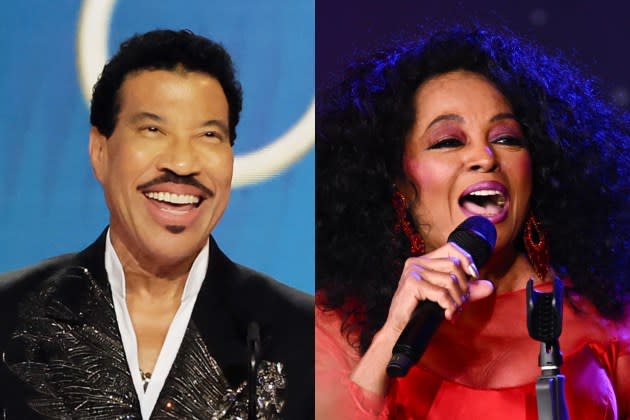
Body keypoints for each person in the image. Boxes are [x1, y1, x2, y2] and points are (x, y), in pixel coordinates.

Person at [315, 26, 630, 419]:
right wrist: (391, 335)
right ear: (397, 184)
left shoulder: (610, 321)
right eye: (448, 141)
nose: (484, 157)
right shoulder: (337, 325)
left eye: (507, 139)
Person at [0, 29, 313, 419]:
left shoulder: (301, 335)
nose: (182, 163)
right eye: (153, 130)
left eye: (209, 134)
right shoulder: (9, 313)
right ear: (100, 151)